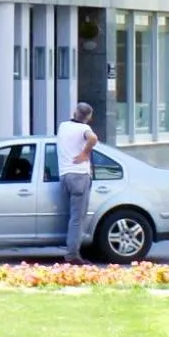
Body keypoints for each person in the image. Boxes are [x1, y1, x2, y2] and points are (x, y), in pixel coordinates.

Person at [56, 102, 99, 264]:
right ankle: (72, 255)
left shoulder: (63, 126)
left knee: (70, 216)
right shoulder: (84, 129)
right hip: (80, 176)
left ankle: (71, 247)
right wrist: (84, 153)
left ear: (74, 112)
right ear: (89, 117)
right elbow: (93, 138)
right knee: (77, 218)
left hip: (65, 176)